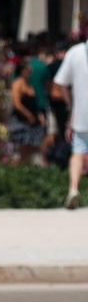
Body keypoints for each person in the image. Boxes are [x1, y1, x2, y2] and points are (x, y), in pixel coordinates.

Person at [51, 34, 87, 208]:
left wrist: (70, 104)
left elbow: (60, 82)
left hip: (82, 113)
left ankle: (73, 188)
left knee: (78, 151)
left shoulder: (75, 52)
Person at [10, 52, 46, 165]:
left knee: (34, 148)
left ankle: (26, 170)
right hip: (22, 120)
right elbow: (16, 104)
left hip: (33, 121)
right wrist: (28, 115)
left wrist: (39, 115)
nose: (29, 72)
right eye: (27, 69)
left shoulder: (29, 84)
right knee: (24, 149)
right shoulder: (17, 84)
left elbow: (34, 104)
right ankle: (17, 170)